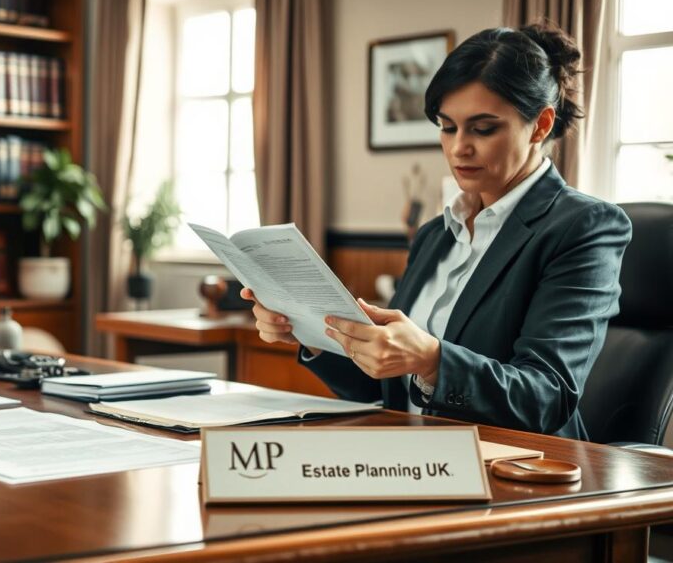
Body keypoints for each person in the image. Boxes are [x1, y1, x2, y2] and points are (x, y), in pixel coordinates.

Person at [242, 23, 632, 440]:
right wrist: (312, 335)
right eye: (448, 127)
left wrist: (431, 359)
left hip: (520, 477)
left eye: (483, 129)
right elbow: (383, 388)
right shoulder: (434, 235)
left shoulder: (584, 228)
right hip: (415, 463)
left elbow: (546, 396)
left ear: (540, 125)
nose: (459, 147)